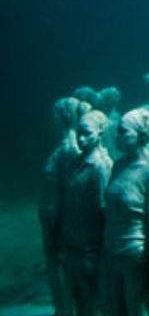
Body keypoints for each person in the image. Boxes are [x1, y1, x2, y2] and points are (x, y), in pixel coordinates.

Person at [101, 107, 149, 316]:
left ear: (140, 136)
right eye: (118, 131)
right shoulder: (117, 166)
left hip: (135, 256)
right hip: (110, 253)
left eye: (123, 132)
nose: (117, 136)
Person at [40, 97, 91, 316]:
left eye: (54, 115)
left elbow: (72, 192)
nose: (51, 119)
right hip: (57, 224)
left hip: (62, 227)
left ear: (63, 117)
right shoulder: (66, 146)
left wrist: (56, 226)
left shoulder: (70, 149)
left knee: (65, 284)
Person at [59, 110, 114, 316]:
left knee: (90, 301)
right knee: (79, 301)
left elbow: (103, 209)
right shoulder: (76, 163)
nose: (81, 139)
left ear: (100, 133)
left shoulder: (100, 166)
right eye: (79, 133)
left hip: (89, 248)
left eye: (87, 134)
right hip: (73, 243)